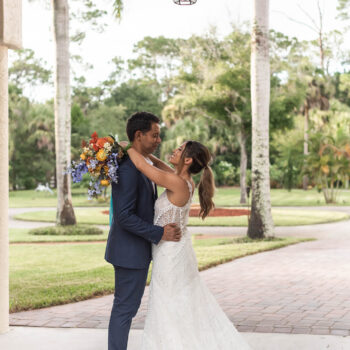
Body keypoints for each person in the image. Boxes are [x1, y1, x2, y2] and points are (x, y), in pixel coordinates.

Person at [125, 140, 252, 349]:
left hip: (171, 254)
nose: (174, 150)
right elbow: (156, 164)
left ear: (188, 159)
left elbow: (142, 166)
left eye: (179, 149)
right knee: (174, 302)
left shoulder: (177, 183)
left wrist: (126, 146)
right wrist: (146, 152)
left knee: (168, 303)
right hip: (175, 249)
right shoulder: (181, 179)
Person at [105, 112, 181, 350]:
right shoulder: (129, 169)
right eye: (154, 135)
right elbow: (124, 216)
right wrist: (159, 233)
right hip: (129, 252)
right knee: (125, 308)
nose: (159, 140)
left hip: (136, 250)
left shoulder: (142, 163)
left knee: (128, 307)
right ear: (139, 135)